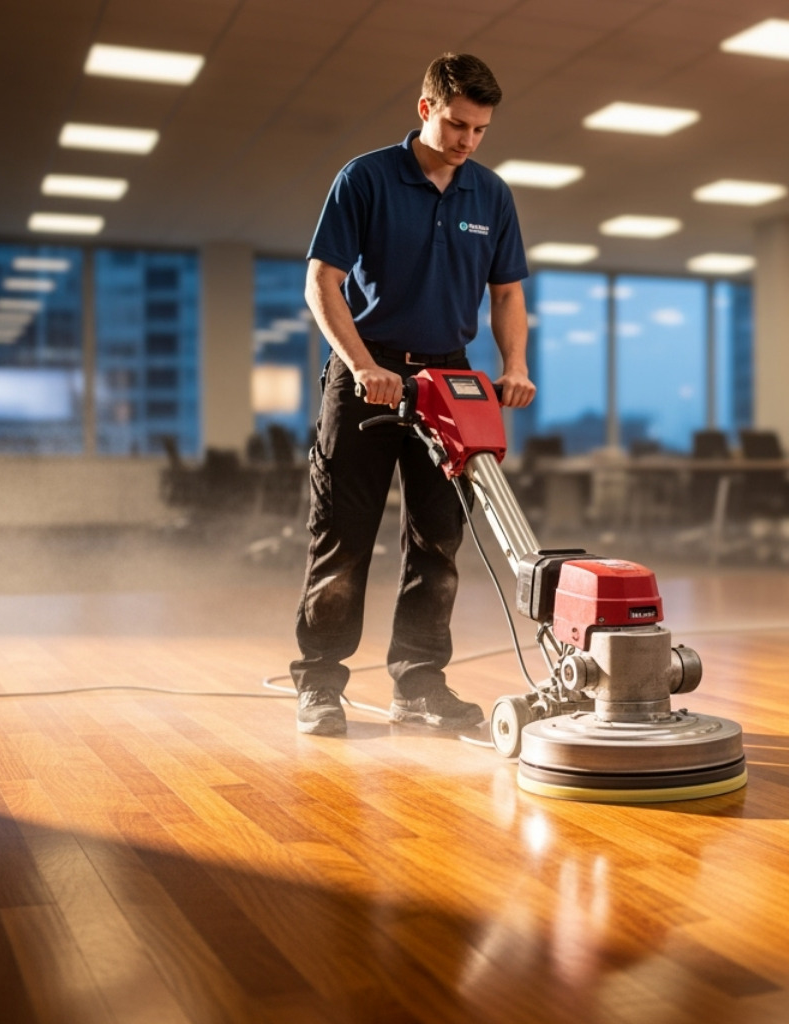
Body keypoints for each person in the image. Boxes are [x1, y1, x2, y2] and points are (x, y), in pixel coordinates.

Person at [290, 52, 534, 736]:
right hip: (368, 372)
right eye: (458, 124)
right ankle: (320, 685)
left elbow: (508, 292)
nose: (467, 141)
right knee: (343, 535)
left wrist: (513, 364)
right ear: (426, 108)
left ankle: (419, 683)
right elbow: (322, 283)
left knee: (439, 540)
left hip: (449, 376)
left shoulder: (490, 195)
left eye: (480, 130)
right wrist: (365, 364)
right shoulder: (365, 179)